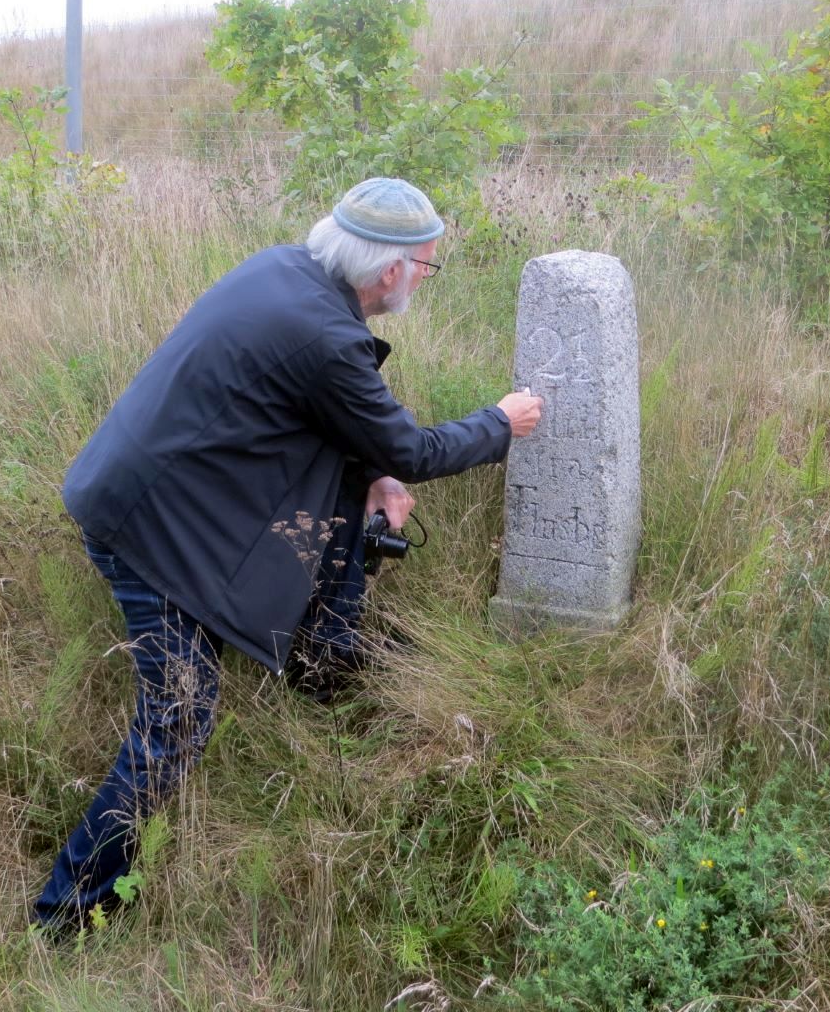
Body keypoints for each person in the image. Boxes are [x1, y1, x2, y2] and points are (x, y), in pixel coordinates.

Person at [34, 177, 543, 933]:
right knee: (180, 718)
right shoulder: (327, 337)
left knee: (332, 527)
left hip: (165, 499)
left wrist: (373, 473)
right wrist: (499, 423)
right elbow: (411, 447)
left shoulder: (284, 272)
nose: (423, 280)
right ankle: (68, 911)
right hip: (148, 529)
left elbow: (317, 416)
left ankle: (324, 666)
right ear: (390, 270)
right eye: (426, 266)